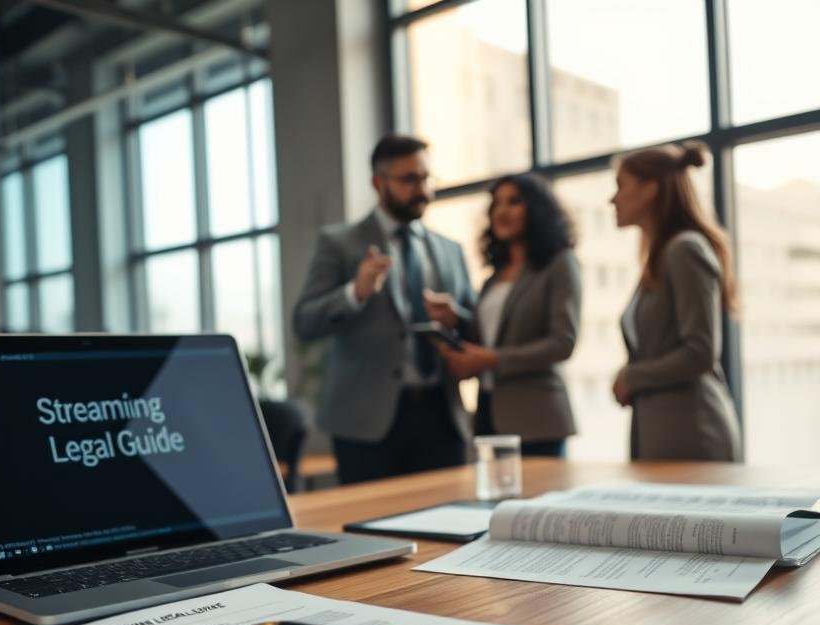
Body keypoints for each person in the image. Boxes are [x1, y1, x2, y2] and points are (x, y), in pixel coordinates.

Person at [292, 134, 476, 484]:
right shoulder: (340, 243)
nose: (422, 189)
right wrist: (353, 293)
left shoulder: (450, 250)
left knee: (451, 526)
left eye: (425, 178)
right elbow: (304, 322)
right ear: (379, 183)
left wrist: (457, 318)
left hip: (441, 417)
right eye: (409, 179)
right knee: (372, 530)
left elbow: (474, 325)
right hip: (365, 424)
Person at [432, 173, 581, 457]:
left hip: (537, 418)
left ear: (536, 210)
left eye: (513, 202)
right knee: (493, 500)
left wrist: (490, 359)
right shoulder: (494, 277)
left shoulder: (560, 264)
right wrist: (457, 318)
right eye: (496, 204)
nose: (501, 211)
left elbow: (562, 343)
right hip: (488, 411)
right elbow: (489, 336)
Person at [609, 141, 741, 461]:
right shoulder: (660, 257)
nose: (612, 198)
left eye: (620, 186)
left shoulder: (685, 249)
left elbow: (700, 351)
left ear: (650, 189)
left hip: (692, 433)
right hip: (664, 433)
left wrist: (631, 377)